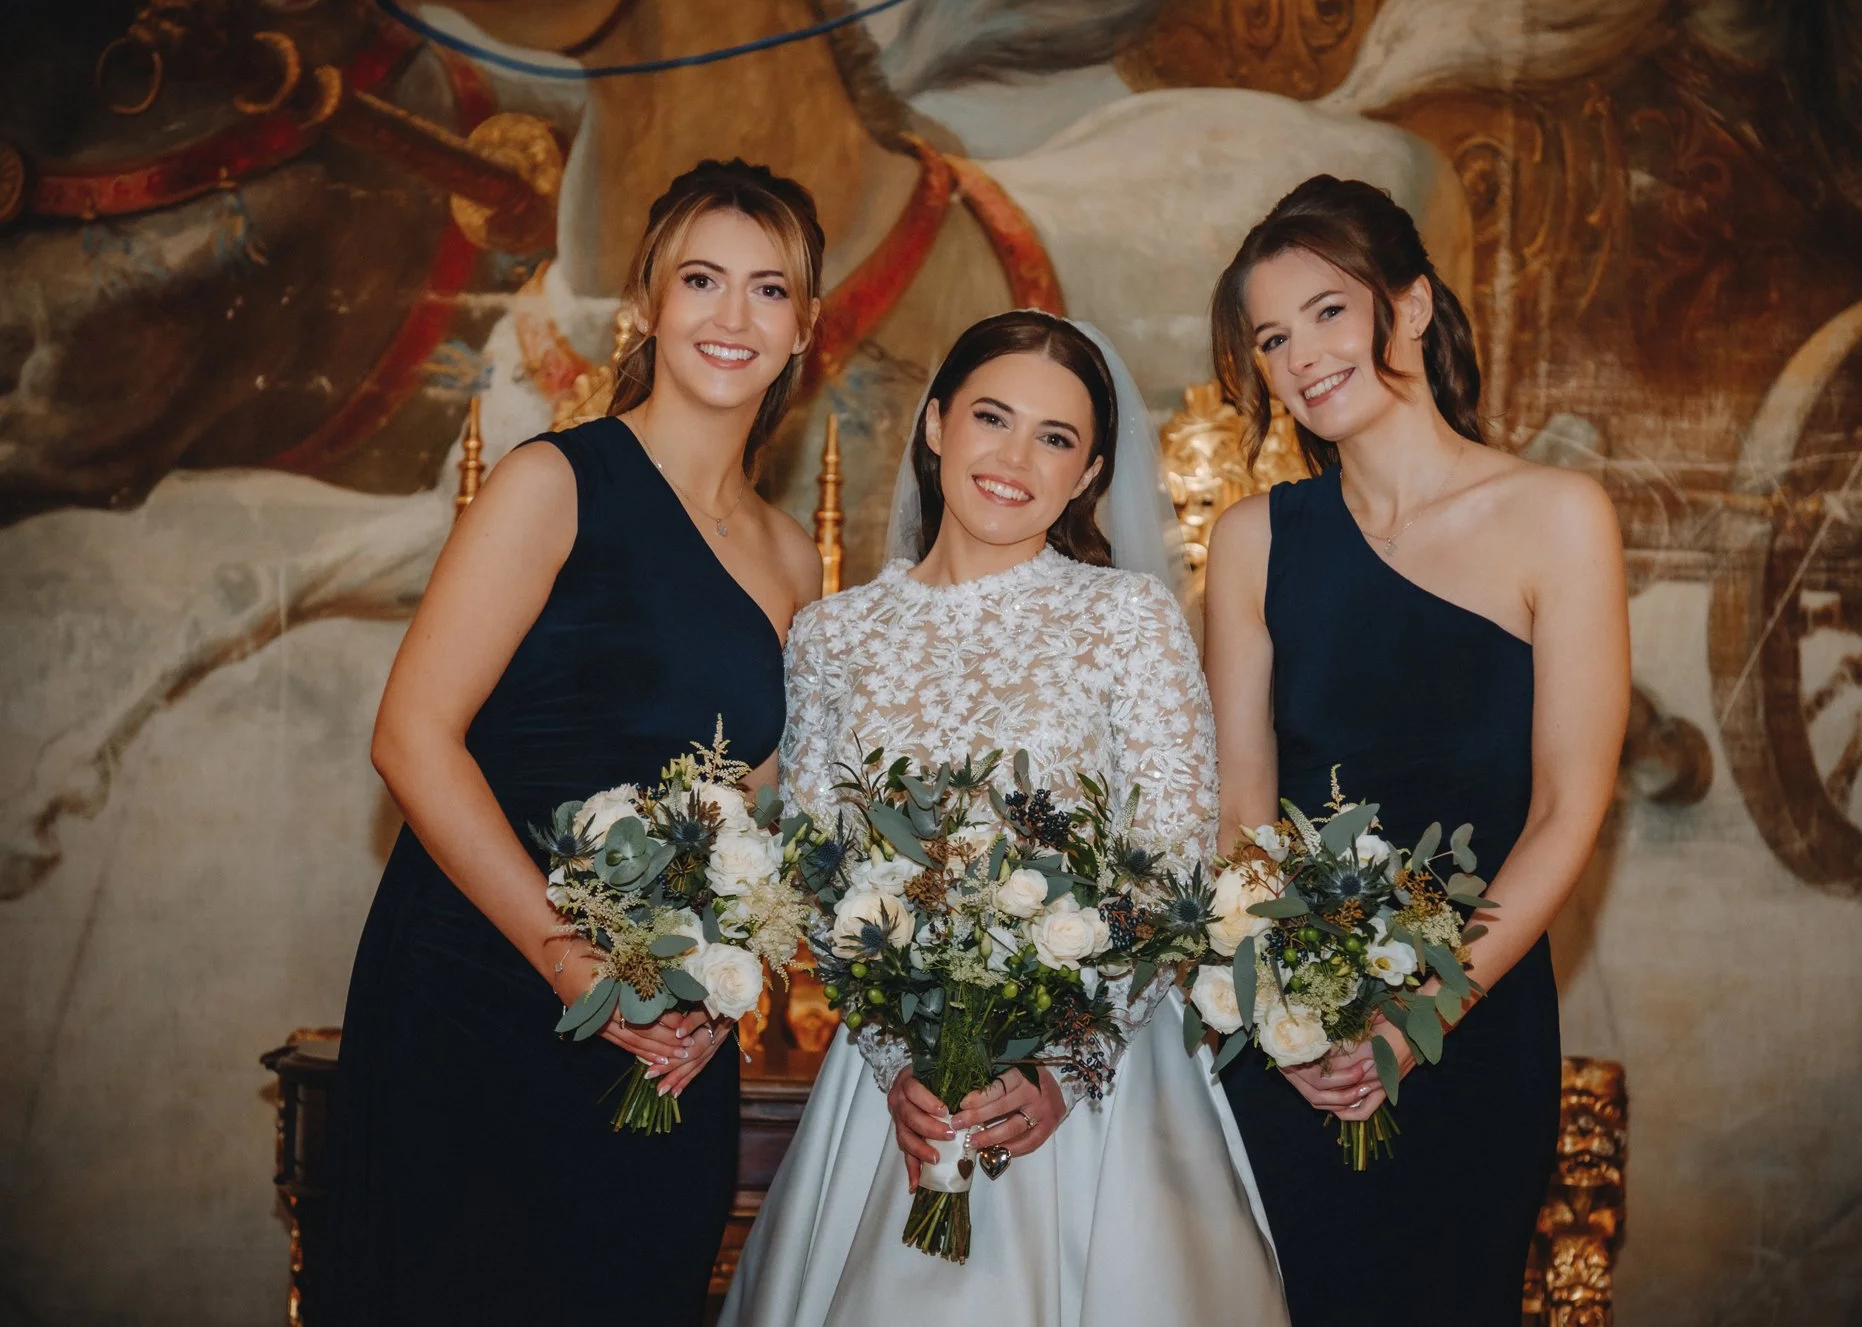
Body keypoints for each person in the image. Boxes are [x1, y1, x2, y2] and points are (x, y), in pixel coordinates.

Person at [326, 159, 827, 1325]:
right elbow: (411, 739)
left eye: (767, 289)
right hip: (480, 989)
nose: (732, 314)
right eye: (700, 279)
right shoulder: (552, 482)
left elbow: (749, 812)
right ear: (644, 305)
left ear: (805, 328)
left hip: (662, 1029)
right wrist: (571, 963)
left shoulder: (791, 557)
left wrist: (713, 994)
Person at [722, 311, 1287, 1327]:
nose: (1015, 458)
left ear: (1089, 473)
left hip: (1095, 1083)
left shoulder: (1127, 619)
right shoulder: (831, 637)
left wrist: (1066, 1065)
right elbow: (818, 875)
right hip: (897, 1091)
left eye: (1054, 437)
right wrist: (898, 1062)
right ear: (937, 424)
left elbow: (1174, 867)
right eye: (992, 417)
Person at [1203, 175, 1629, 1323]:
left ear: (1412, 304)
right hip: (1291, 1047)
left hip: (1472, 1033)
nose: (1300, 357)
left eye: (1326, 312)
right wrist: (1282, 1014)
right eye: (1271, 339)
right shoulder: (1253, 541)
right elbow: (1240, 817)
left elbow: (1566, 809)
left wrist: (1418, 1016)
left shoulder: (1558, 516)